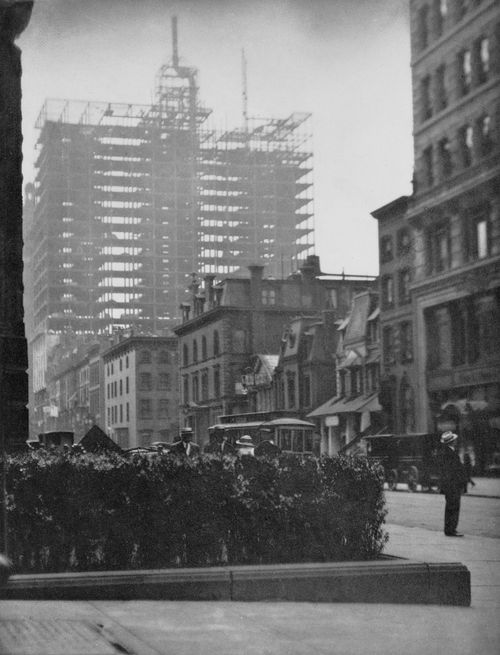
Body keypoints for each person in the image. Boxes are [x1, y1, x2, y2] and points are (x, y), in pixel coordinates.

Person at [438, 431, 467, 537]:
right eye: (454, 440)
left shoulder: (448, 452)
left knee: (450, 507)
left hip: (451, 485)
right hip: (452, 486)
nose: (456, 441)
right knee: (453, 507)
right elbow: (452, 471)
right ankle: (451, 530)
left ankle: (449, 529)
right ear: (451, 442)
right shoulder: (449, 453)